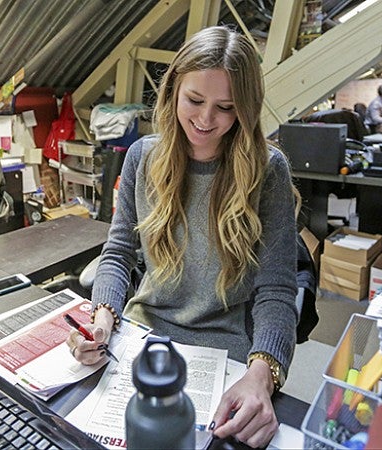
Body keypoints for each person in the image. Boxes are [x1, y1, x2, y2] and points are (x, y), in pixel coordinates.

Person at [67, 26, 298, 448]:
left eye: (225, 108)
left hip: (223, 355)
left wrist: (262, 373)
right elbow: (118, 253)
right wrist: (102, 319)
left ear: (244, 110)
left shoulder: (268, 171)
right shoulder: (142, 157)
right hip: (138, 339)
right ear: (173, 89)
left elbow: (277, 289)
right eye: (194, 100)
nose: (205, 120)